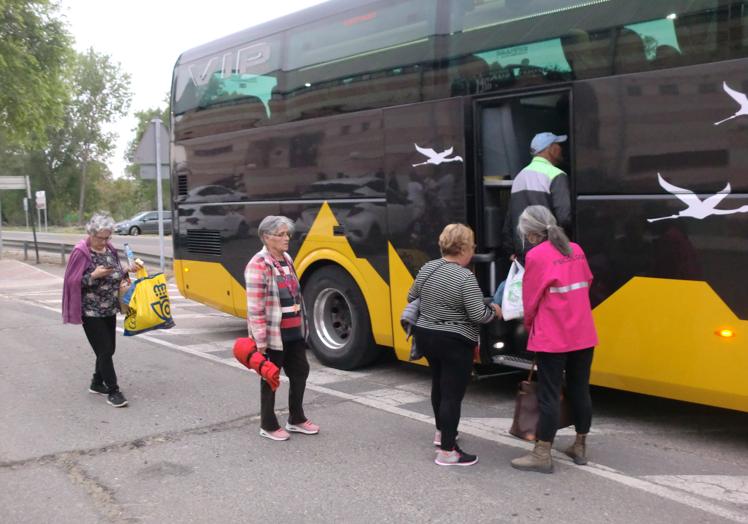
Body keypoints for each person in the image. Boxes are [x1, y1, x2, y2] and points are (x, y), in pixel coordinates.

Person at [509, 206, 598, 473]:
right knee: (580, 389)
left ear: (531, 234)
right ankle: (579, 446)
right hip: (583, 332)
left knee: (549, 394)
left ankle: (542, 453)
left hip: (553, 336)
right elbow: (588, 281)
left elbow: (531, 299)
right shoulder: (576, 249)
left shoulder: (536, 256)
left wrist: (528, 326)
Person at [407, 224, 501, 466]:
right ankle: (448, 451)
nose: (474, 249)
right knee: (452, 395)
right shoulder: (465, 277)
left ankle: (441, 433)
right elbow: (478, 314)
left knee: (438, 385)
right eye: (472, 245)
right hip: (453, 341)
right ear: (463, 248)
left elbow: (411, 296)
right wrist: (494, 311)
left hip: (426, 335)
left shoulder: (429, 267)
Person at [245, 215, 319, 441]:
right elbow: (255, 307)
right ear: (266, 237)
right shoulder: (258, 264)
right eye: (281, 235)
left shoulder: (286, 258)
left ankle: (296, 419)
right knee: (270, 377)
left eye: (288, 234)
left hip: (293, 331)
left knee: (300, 372)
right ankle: (268, 425)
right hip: (273, 335)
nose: (287, 238)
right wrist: (260, 341)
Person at [62, 212, 141, 408]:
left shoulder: (109, 249)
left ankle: (97, 383)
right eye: (101, 238)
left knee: (108, 349)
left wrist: (127, 270)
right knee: (104, 350)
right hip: (90, 311)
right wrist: (93, 276)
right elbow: (72, 282)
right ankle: (113, 391)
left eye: (108, 237)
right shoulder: (81, 252)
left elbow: (115, 272)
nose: (104, 241)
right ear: (91, 233)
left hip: (109, 308)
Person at [501, 132, 571, 264]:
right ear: (550, 148)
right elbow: (565, 218)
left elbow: (510, 220)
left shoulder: (519, 177)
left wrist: (511, 250)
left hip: (523, 255)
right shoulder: (556, 175)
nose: (561, 149)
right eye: (558, 145)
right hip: (551, 253)